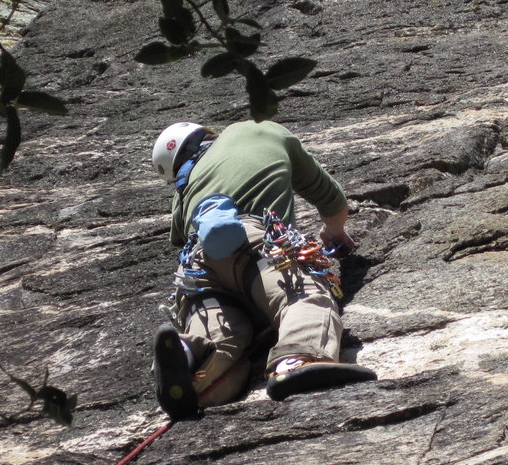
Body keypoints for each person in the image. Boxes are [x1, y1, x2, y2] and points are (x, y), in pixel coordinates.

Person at [150, 119, 376, 421]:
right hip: (258, 245)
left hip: (198, 270)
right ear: (206, 135)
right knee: (302, 297)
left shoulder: (184, 191)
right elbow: (330, 198)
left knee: (226, 338)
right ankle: (295, 361)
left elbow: (180, 238)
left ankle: (190, 361)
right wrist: (334, 231)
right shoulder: (261, 129)